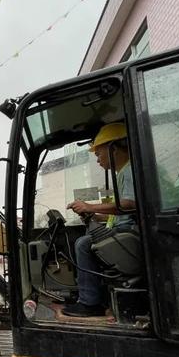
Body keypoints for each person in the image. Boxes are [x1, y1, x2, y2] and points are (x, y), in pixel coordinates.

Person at [63, 122, 136, 317]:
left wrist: (90, 206)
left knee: (83, 244)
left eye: (98, 153)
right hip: (124, 229)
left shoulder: (130, 170)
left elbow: (130, 205)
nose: (97, 160)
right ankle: (92, 295)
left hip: (130, 233)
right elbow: (122, 210)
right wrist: (95, 214)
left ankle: (90, 302)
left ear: (114, 147)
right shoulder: (125, 171)